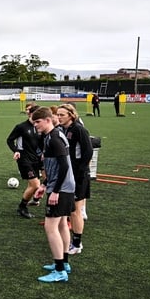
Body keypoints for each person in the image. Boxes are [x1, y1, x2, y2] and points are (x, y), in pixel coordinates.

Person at [31, 106, 76, 283]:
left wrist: (55, 190)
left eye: (38, 122)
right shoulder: (51, 136)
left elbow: (64, 166)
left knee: (50, 227)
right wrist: (44, 184)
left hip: (62, 188)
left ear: (48, 120)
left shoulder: (55, 138)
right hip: (63, 186)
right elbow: (54, 167)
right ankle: (64, 263)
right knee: (63, 225)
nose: (36, 125)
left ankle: (59, 270)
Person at [56, 104, 93, 255]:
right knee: (69, 209)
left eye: (62, 115)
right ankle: (68, 240)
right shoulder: (62, 129)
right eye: (57, 114)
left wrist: (81, 172)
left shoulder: (78, 129)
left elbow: (88, 151)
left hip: (78, 175)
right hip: (67, 174)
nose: (58, 117)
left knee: (76, 211)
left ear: (71, 115)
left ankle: (77, 244)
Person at [6, 103, 43, 219]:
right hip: (24, 158)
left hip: (35, 159)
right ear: (30, 114)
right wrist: (16, 150)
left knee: (32, 185)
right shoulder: (21, 127)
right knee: (36, 184)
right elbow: (10, 140)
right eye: (36, 115)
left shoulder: (39, 128)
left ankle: (27, 203)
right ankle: (22, 207)